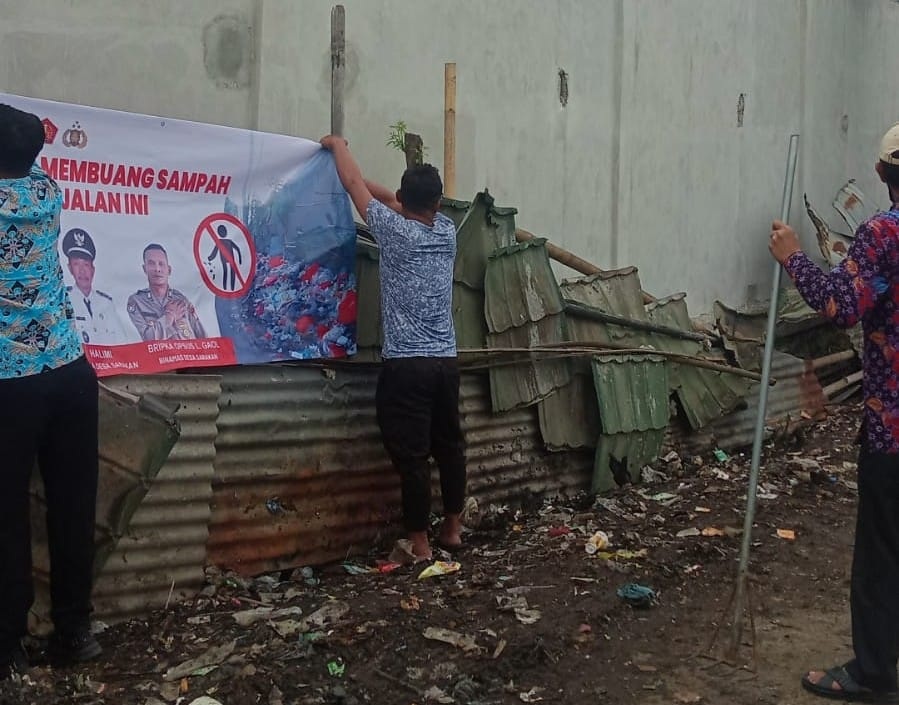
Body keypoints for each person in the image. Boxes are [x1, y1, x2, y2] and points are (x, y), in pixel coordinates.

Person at [770, 123, 899, 703]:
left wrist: (793, 258)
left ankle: (872, 672)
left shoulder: (882, 234)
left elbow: (842, 305)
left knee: (880, 553)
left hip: (892, 429)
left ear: (880, 173)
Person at [320, 135, 466, 560]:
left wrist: (337, 144)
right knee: (450, 445)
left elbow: (352, 185)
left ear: (404, 198)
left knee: (413, 454)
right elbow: (381, 195)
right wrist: (372, 186)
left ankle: (419, 543)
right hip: (445, 363)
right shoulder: (446, 231)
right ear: (438, 202)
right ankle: (452, 529)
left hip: (408, 366)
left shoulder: (394, 232)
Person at [0, 103, 102, 678]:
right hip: (69, 373)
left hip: (10, 383)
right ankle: (74, 632)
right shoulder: (47, 192)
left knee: (6, 516)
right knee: (71, 506)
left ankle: (7, 645)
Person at [127, 243, 206, 340]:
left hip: (188, 354)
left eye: (161, 264)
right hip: (157, 355)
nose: (157, 269)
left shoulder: (181, 300)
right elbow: (148, 339)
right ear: (144, 269)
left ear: (169, 270)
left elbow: (203, 337)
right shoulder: (137, 302)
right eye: (151, 264)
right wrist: (169, 317)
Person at [62, 227, 127, 345]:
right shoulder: (64, 301)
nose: (82, 271)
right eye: (77, 264)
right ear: (70, 268)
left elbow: (122, 343)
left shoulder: (106, 303)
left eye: (86, 265)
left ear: (93, 269)